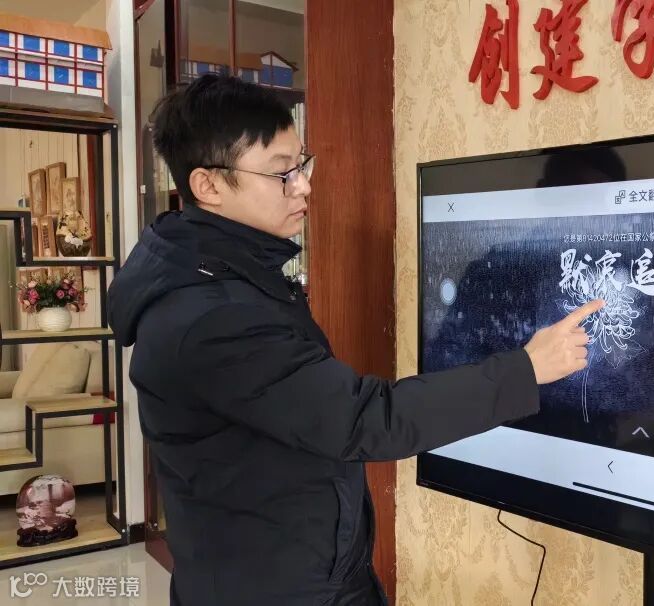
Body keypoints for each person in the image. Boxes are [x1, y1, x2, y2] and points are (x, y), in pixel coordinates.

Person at [107, 74, 604, 606]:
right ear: (208, 186)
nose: (303, 186)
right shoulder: (211, 316)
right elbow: (365, 419)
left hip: (296, 572)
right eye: (281, 173)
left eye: (302, 164)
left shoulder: (225, 273)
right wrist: (527, 369)